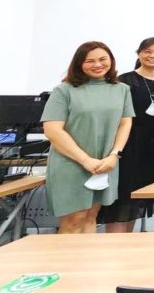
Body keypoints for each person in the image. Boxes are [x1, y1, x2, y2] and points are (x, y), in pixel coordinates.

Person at [41, 41, 134, 234]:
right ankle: (64, 256)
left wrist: (114, 155)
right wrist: (85, 160)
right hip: (71, 163)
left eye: (102, 59)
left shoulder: (122, 89)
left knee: (91, 216)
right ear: (79, 64)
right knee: (74, 221)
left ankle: (85, 256)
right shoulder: (64, 90)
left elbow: (125, 124)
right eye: (90, 61)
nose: (98, 64)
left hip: (105, 164)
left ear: (111, 61)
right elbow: (52, 130)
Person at [101, 37, 154, 233]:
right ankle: (113, 244)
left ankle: (127, 242)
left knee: (137, 199)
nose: (152, 55)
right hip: (128, 144)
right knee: (122, 196)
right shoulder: (124, 80)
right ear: (138, 53)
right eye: (147, 51)